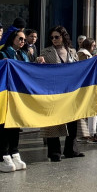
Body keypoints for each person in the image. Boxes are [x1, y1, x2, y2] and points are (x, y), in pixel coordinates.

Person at [0, 29, 40, 172]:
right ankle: (3, 155)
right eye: (20, 39)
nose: (23, 42)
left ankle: (15, 152)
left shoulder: (24, 55)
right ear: (12, 39)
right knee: (5, 125)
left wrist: (37, 61)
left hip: (20, 96)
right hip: (6, 95)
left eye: (24, 40)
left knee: (16, 125)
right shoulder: (2, 54)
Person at [40, 26, 83, 162]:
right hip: (54, 91)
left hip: (70, 91)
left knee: (73, 121)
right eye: (52, 37)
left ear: (63, 37)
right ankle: (54, 152)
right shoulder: (45, 52)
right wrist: (39, 62)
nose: (54, 40)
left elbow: (79, 69)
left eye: (57, 37)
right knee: (53, 121)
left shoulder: (72, 51)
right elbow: (41, 71)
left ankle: (71, 150)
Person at [77, 37, 97, 144]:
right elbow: (84, 68)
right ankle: (88, 134)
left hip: (90, 86)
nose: (95, 47)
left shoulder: (87, 55)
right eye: (93, 45)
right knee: (88, 111)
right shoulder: (82, 54)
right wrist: (95, 59)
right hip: (84, 87)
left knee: (92, 110)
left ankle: (92, 133)